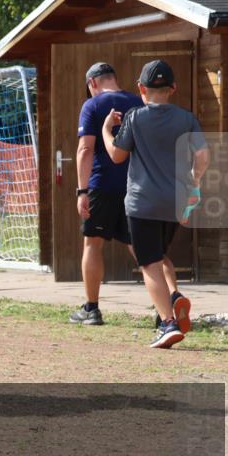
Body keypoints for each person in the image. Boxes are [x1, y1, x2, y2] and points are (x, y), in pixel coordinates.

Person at [102, 60, 209, 349]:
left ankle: (167, 323)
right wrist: (194, 181)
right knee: (158, 257)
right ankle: (173, 297)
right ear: (173, 88)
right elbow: (202, 156)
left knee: (149, 264)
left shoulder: (135, 117)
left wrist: (106, 130)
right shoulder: (187, 119)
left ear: (141, 88)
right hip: (174, 203)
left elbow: (117, 156)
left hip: (143, 203)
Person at [69, 62, 143, 326]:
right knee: (143, 247)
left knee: (93, 243)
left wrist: (82, 191)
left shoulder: (92, 106)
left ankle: (91, 309)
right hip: (135, 186)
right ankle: (165, 307)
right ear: (114, 78)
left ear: (92, 83)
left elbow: (85, 149)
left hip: (102, 186)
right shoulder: (138, 103)